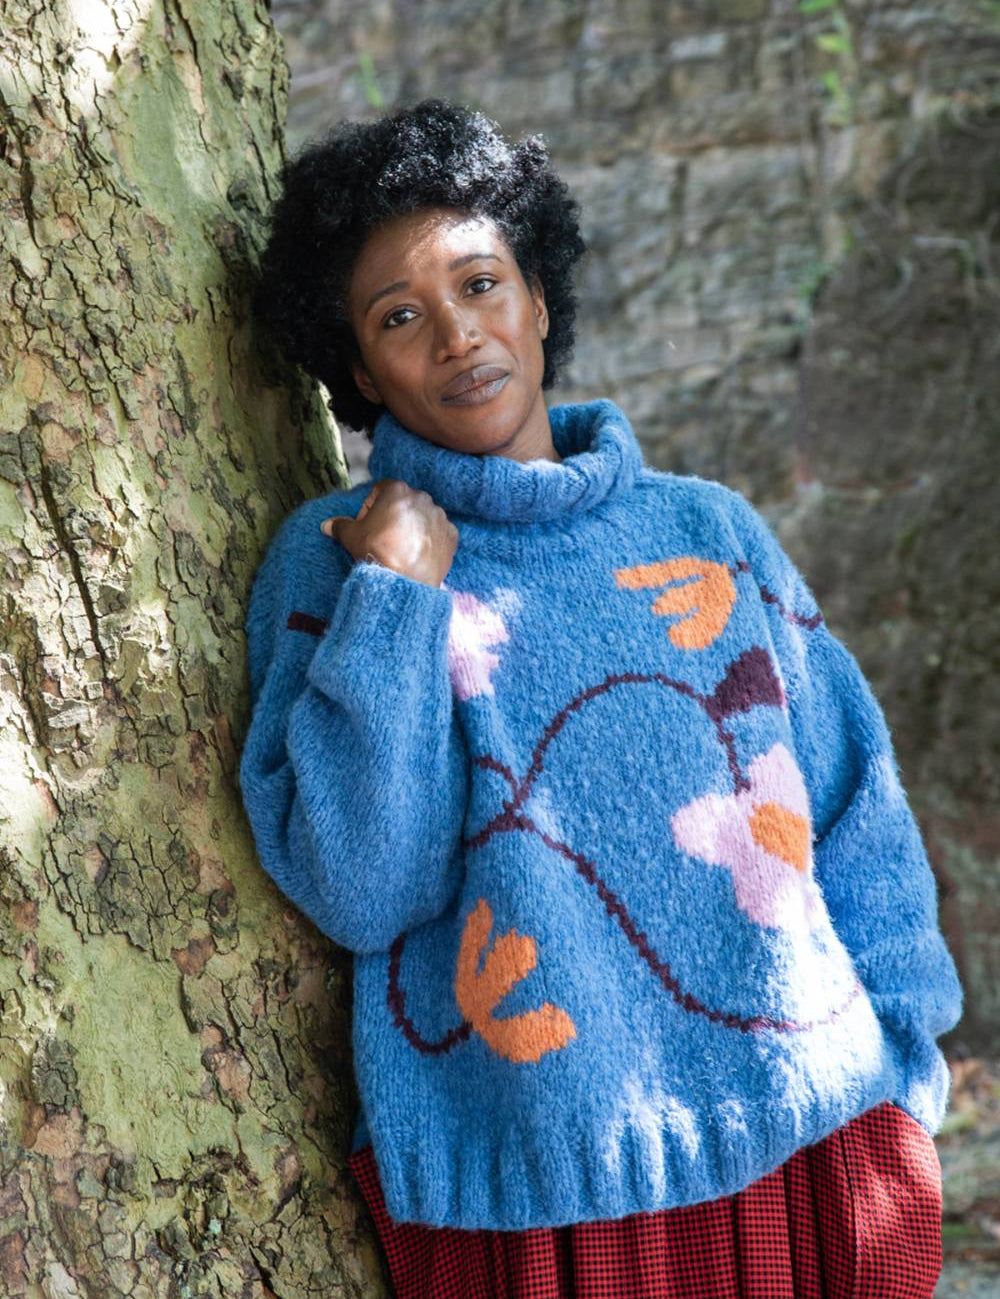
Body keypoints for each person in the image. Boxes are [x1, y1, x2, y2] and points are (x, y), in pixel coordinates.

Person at [238, 98, 963, 1299]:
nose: (457, 336)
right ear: (357, 368)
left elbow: (852, 802)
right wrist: (398, 600)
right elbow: (365, 888)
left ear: (536, 298)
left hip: (815, 1135)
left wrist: (906, 1069)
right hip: (540, 1194)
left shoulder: (706, 530)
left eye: (481, 285)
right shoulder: (335, 565)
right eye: (400, 316)